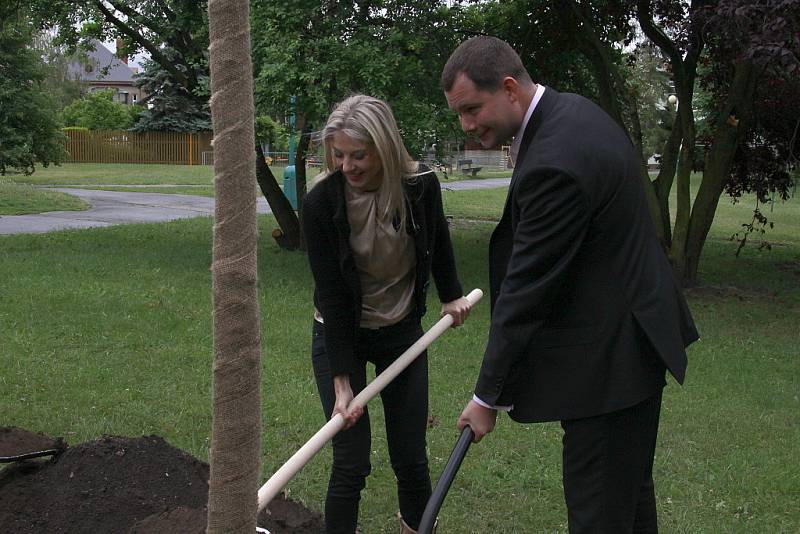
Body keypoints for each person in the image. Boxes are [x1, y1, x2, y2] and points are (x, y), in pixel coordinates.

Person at [441, 36, 699, 533]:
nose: (467, 126)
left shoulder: (554, 161)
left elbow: (527, 289)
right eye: (459, 113)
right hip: (634, 348)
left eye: (472, 109)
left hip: (610, 368)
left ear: (510, 88)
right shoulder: (574, 113)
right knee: (627, 505)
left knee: (600, 515)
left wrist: (486, 398)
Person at [302, 94, 472, 534]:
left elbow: (438, 242)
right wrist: (342, 382)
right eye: (338, 154)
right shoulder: (321, 201)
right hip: (342, 333)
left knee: (410, 456)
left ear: (385, 147)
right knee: (350, 461)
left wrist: (451, 295)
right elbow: (333, 293)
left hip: (402, 333)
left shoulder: (419, 185)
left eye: (359, 155)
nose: (347, 165)